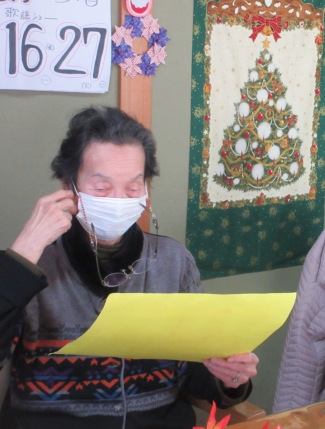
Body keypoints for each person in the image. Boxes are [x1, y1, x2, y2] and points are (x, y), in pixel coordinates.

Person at [0, 106, 258, 429]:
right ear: (69, 187)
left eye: (133, 188)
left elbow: (194, 374)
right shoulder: (30, 265)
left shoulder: (174, 262)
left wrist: (230, 377)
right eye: (101, 188)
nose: (118, 200)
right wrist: (23, 252)